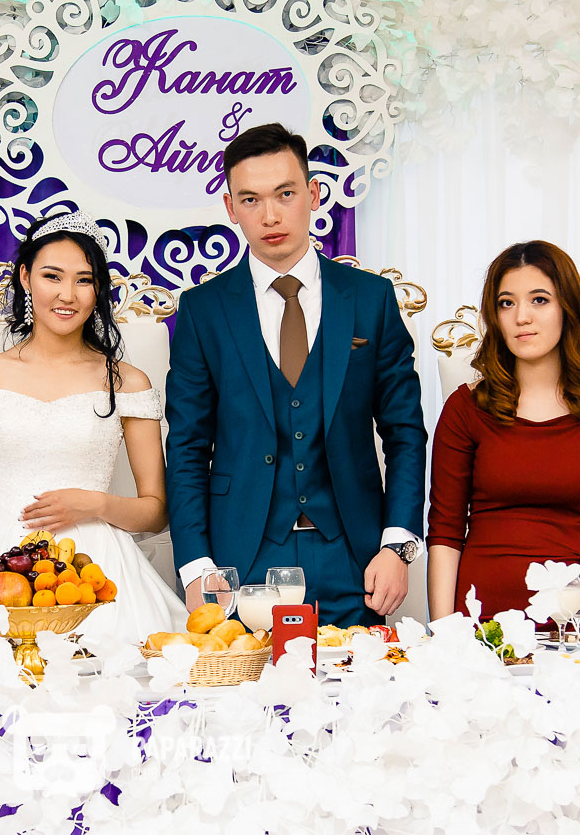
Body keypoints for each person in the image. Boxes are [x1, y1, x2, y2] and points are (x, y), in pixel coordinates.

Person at [165, 123, 428, 626]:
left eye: (285, 194)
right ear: (231, 208)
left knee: (359, 677)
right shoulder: (203, 310)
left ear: (313, 194)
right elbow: (187, 446)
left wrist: (398, 545)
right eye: (250, 199)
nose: (270, 215)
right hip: (240, 560)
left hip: (354, 555)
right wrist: (196, 566)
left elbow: (405, 432)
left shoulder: (370, 299)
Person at [0, 211, 187, 642]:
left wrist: (95, 504)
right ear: (25, 277)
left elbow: (157, 510)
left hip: (97, 571)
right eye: (52, 276)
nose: (67, 295)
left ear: (98, 289)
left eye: (84, 280)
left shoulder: (128, 383)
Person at [426, 240, 580, 623]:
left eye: (539, 300)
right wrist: (442, 634)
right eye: (506, 303)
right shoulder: (464, 409)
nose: (521, 317)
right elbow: (445, 534)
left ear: (568, 308)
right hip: (483, 617)